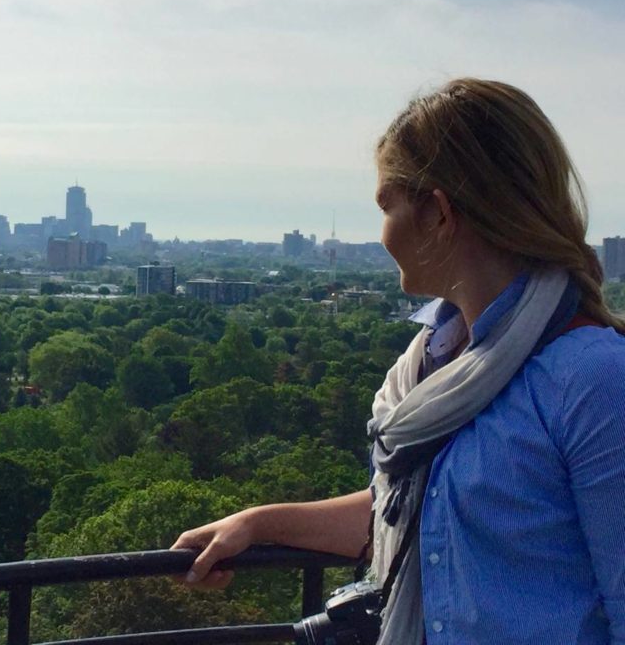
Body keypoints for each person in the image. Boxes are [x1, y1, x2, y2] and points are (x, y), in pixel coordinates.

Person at [172, 78, 625, 644]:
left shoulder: (593, 379)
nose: (381, 233)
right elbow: (413, 513)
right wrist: (259, 524)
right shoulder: (433, 366)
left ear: (437, 212)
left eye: (386, 205)